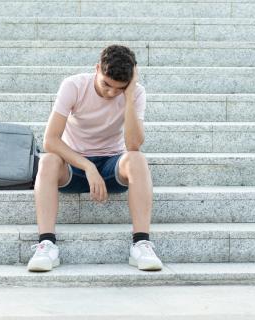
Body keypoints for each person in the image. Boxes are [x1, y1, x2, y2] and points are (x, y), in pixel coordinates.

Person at [27, 44, 163, 272]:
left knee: (137, 159)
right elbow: (50, 140)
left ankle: (141, 244)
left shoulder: (136, 93)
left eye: (118, 89)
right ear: (97, 68)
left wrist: (128, 98)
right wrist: (88, 166)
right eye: (106, 84)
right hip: (75, 166)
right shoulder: (74, 86)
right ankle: (46, 244)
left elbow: (133, 145)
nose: (111, 93)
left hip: (112, 165)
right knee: (48, 160)